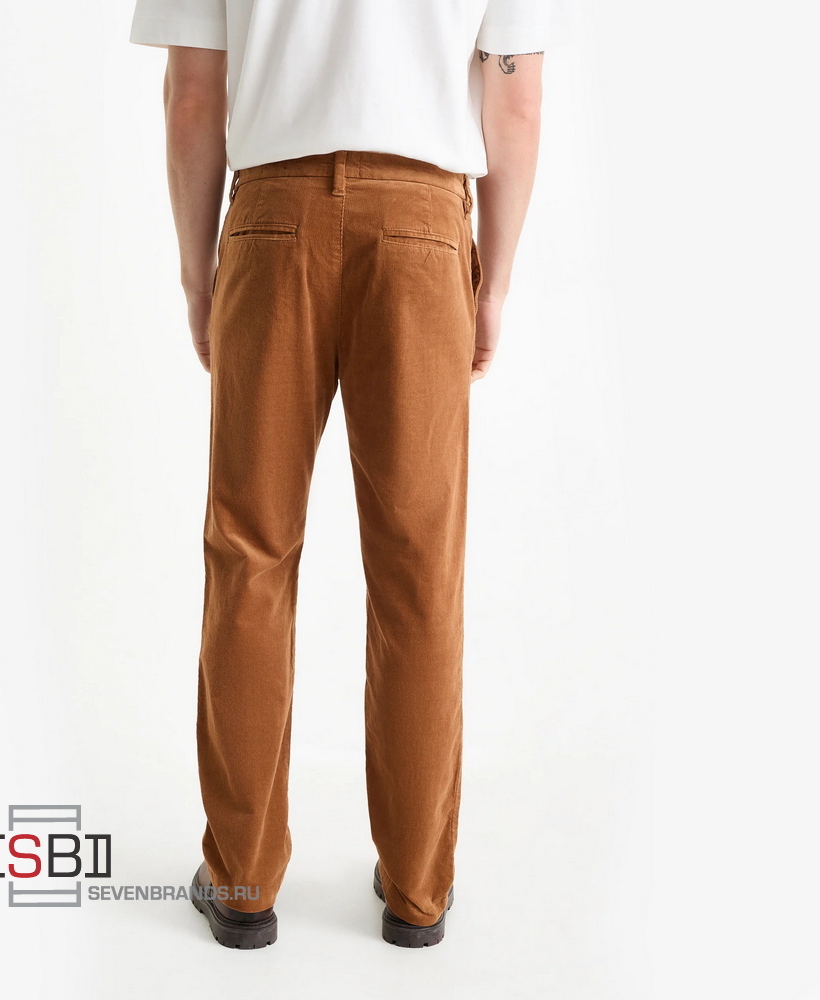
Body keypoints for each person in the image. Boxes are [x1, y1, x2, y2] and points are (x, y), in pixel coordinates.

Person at [129, 0, 548, 949]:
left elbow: (193, 95)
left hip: (271, 223)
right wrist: (494, 284)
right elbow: (516, 98)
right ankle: (418, 890)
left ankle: (241, 881)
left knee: (249, 555)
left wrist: (198, 275)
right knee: (418, 569)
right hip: (425, 230)